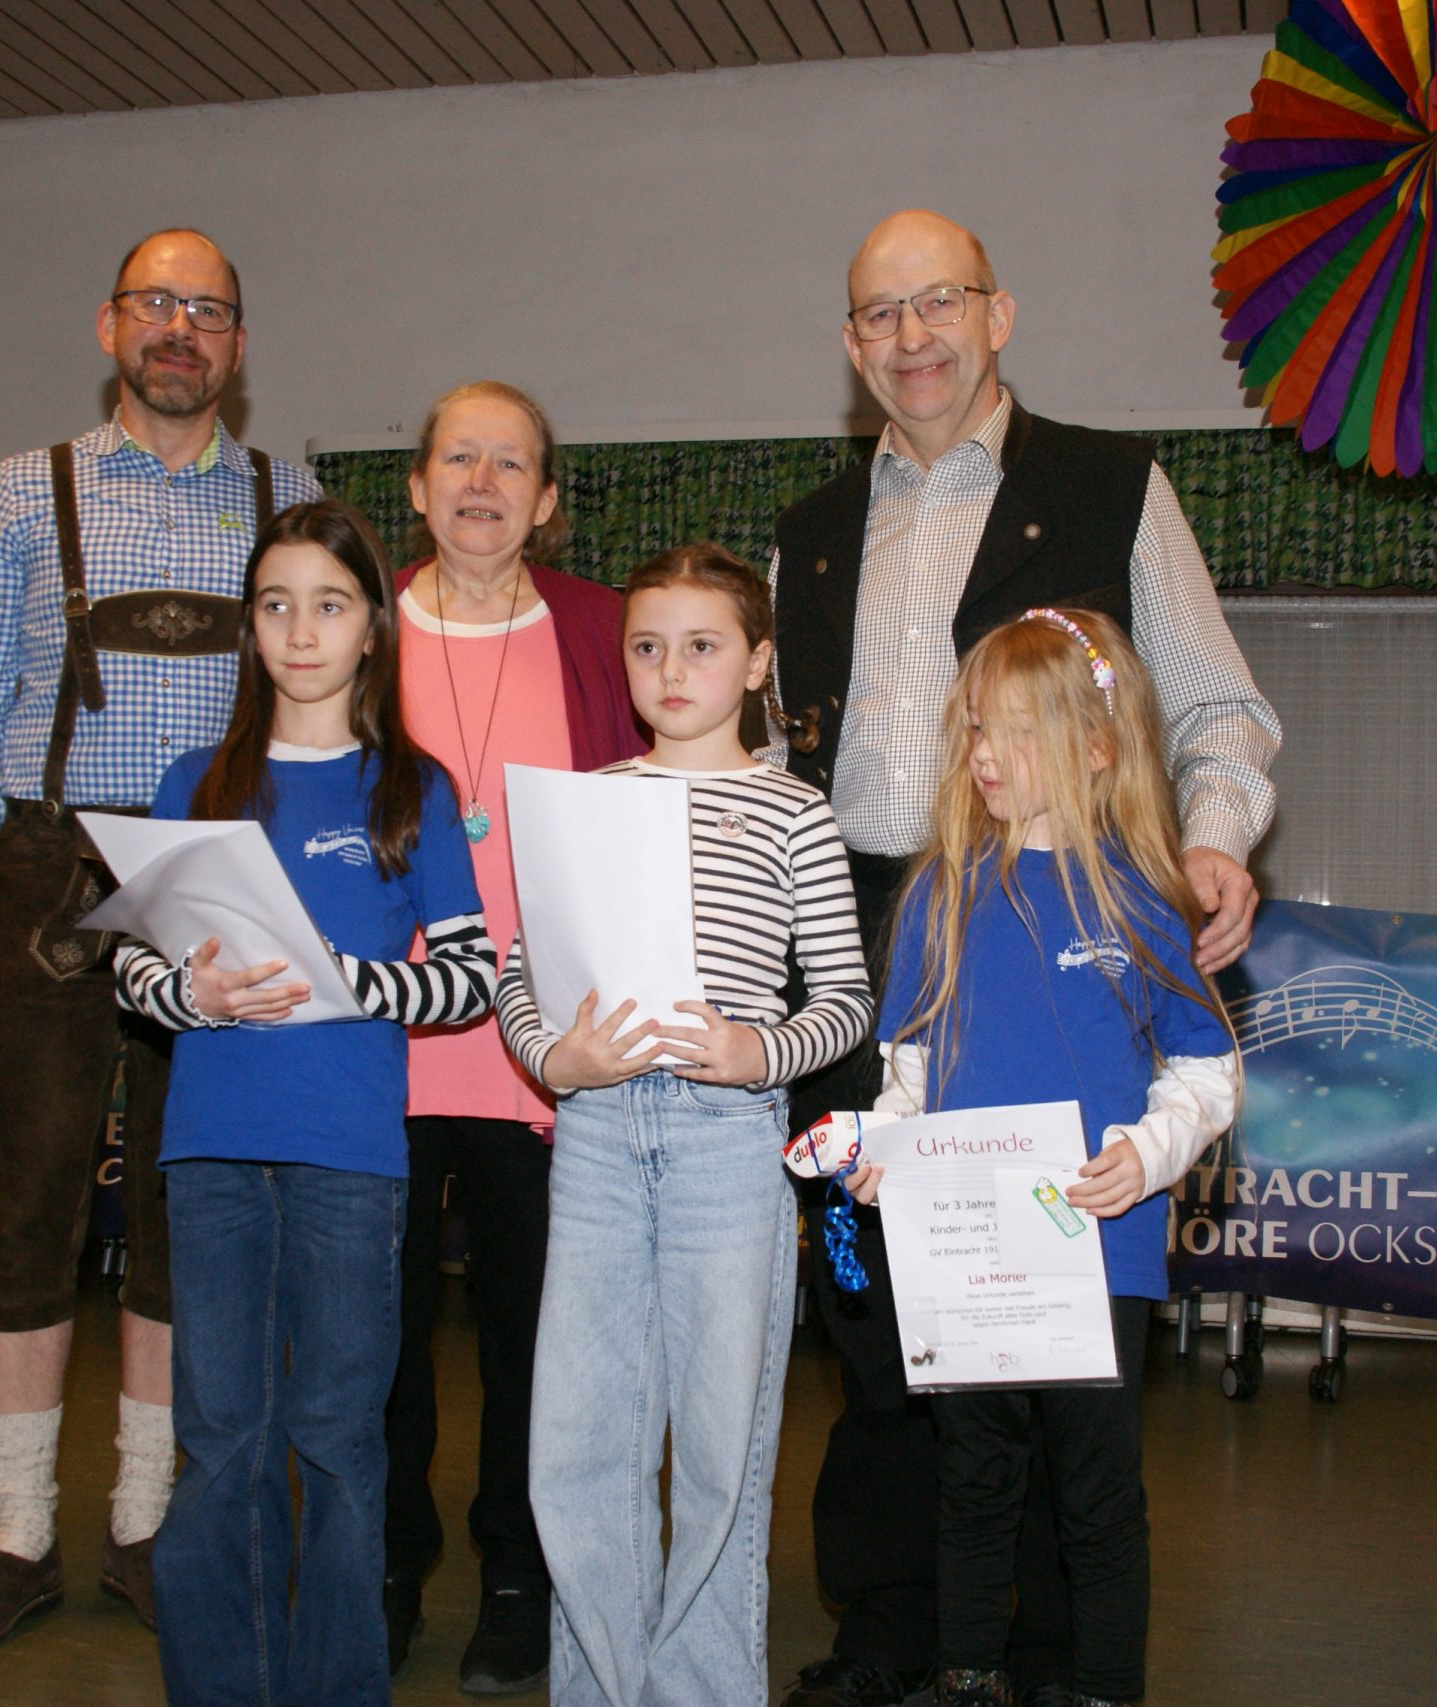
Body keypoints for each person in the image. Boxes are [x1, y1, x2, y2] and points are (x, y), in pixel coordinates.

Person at [767, 210, 1280, 1707]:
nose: (911, 335)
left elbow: (1219, 710)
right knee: (871, 1306)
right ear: (851, 344)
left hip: (1064, 907)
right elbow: (773, 754)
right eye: (880, 313)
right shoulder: (810, 528)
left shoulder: (1111, 485)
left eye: (939, 301)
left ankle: (1059, 1654)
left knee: (1054, 1340)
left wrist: (1209, 843)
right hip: (863, 936)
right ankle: (903, 1629)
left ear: (998, 313)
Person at [0, 229, 316, 1661]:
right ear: (110, 325)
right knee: (25, 1203)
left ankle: (147, 1526)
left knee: (182, 1207)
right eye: (157, 303)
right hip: (45, 874)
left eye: (208, 309)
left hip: (217, 874)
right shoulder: (26, 488)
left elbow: (323, 701)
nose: (180, 329)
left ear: (238, 344)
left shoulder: (288, 496)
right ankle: (17, 1535)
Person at [112, 499, 497, 1705]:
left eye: (328, 605)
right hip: (211, 1152)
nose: (299, 630)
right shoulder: (196, 781)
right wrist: (192, 991)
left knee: (335, 1441)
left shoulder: (411, 788)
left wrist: (347, 983)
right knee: (220, 1440)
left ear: (372, 626)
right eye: (275, 605)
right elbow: (132, 972)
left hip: (349, 1158)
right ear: (250, 626)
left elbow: (473, 975)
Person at [494, 545, 872, 1707]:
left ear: (756, 664)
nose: (670, 669)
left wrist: (759, 1052)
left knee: (718, 1454)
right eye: (647, 646)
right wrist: (553, 1057)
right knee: (578, 1445)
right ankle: (601, 1689)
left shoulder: (796, 813)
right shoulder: (588, 800)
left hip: (727, 1142)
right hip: (599, 1137)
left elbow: (845, 999)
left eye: (702, 646)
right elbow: (517, 971)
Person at [844, 609, 1239, 1707]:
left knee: (1097, 1495)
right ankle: (970, 1677)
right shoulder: (940, 889)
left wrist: (1146, 1153)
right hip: (968, 1256)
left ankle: (1104, 1687)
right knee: (972, 1481)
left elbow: (1209, 1069)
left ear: (1098, 745)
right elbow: (909, 1062)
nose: (985, 753)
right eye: (977, 726)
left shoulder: (1143, 895)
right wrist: (888, 1145)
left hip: (1098, 1252)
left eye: (1016, 729)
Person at [383, 381, 642, 1690]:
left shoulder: (602, 629)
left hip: (549, 1052)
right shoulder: (355, 623)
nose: (481, 482)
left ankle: (516, 1574)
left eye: (510, 464)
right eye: (459, 458)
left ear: (545, 501)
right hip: (379, 1047)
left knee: (534, 1341)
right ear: (417, 486)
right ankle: (384, 1565)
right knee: (377, 1343)